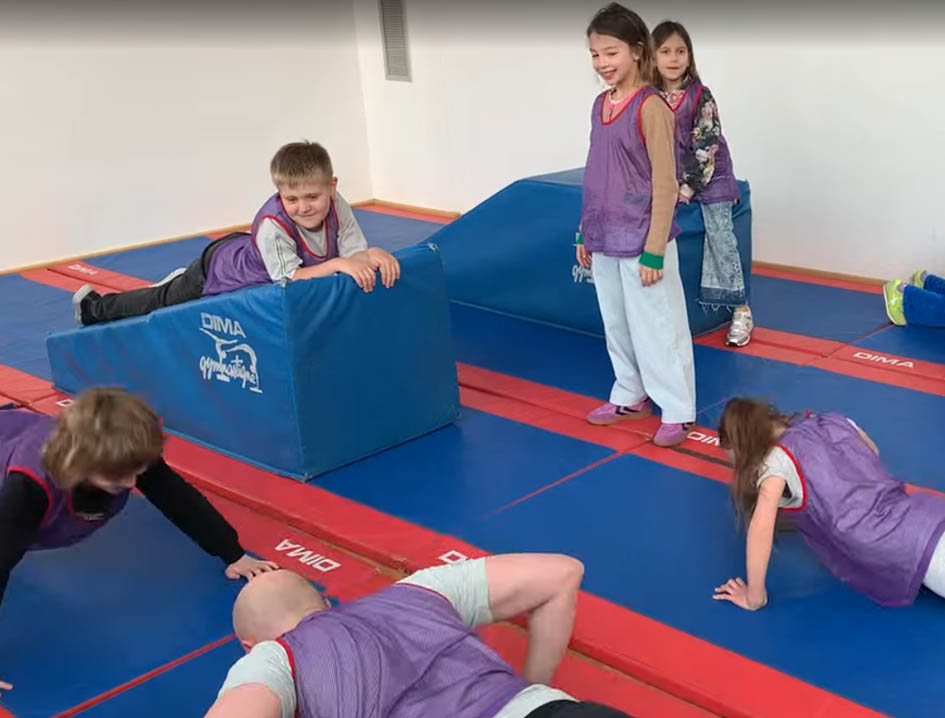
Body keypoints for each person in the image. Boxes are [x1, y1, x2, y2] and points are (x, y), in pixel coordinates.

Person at [0, 387, 278, 693]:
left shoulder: (121, 458)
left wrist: (232, 552)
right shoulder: (27, 489)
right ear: (81, 465)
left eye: (138, 472)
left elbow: (176, 497)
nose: (133, 483)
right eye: (120, 478)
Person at [205, 554, 635, 718]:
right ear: (327, 604)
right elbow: (563, 573)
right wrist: (532, 687)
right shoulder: (419, 591)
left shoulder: (274, 657)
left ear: (249, 646)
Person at [72, 141, 400, 326]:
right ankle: (93, 309)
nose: (303, 207)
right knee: (161, 302)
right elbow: (289, 278)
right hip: (219, 270)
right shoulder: (273, 225)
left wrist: (371, 255)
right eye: (291, 199)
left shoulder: (337, 204)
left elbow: (354, 253)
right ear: (280, 193)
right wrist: (340, 264)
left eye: (312, 197)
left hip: (246, 252)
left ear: (332, 186)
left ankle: (175, 279)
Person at [577, 3, 696, 448]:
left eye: (611, 53)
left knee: (658, 326)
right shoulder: (600, 105)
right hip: (605, 234)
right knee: (617, 322)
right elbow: (596, 170)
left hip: (644, 238)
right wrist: (585, 230)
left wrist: (654, 249)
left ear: (637, 51)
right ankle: (630, 392)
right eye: (595, 54)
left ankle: (679, 409)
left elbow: (665, 182)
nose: (602, 63)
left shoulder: (651, 107)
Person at [713, 398, 945, 611]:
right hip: (922, 512)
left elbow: (760, 530)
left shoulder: (776, 462)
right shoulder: (832, 420)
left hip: (903, 543)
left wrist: (754, 597)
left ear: (742, 447)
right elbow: (871, 450)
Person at [652, 21, 752, 347]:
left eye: (680, 51)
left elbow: (707, 147)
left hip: (710, 175)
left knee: (720, 234)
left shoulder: (700, 96)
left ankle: (741, 308)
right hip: (672, 173)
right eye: (665, 51)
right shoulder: (649, 96)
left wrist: (688, 188)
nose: (673, 58)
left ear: (689, 56)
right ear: (652, 56)